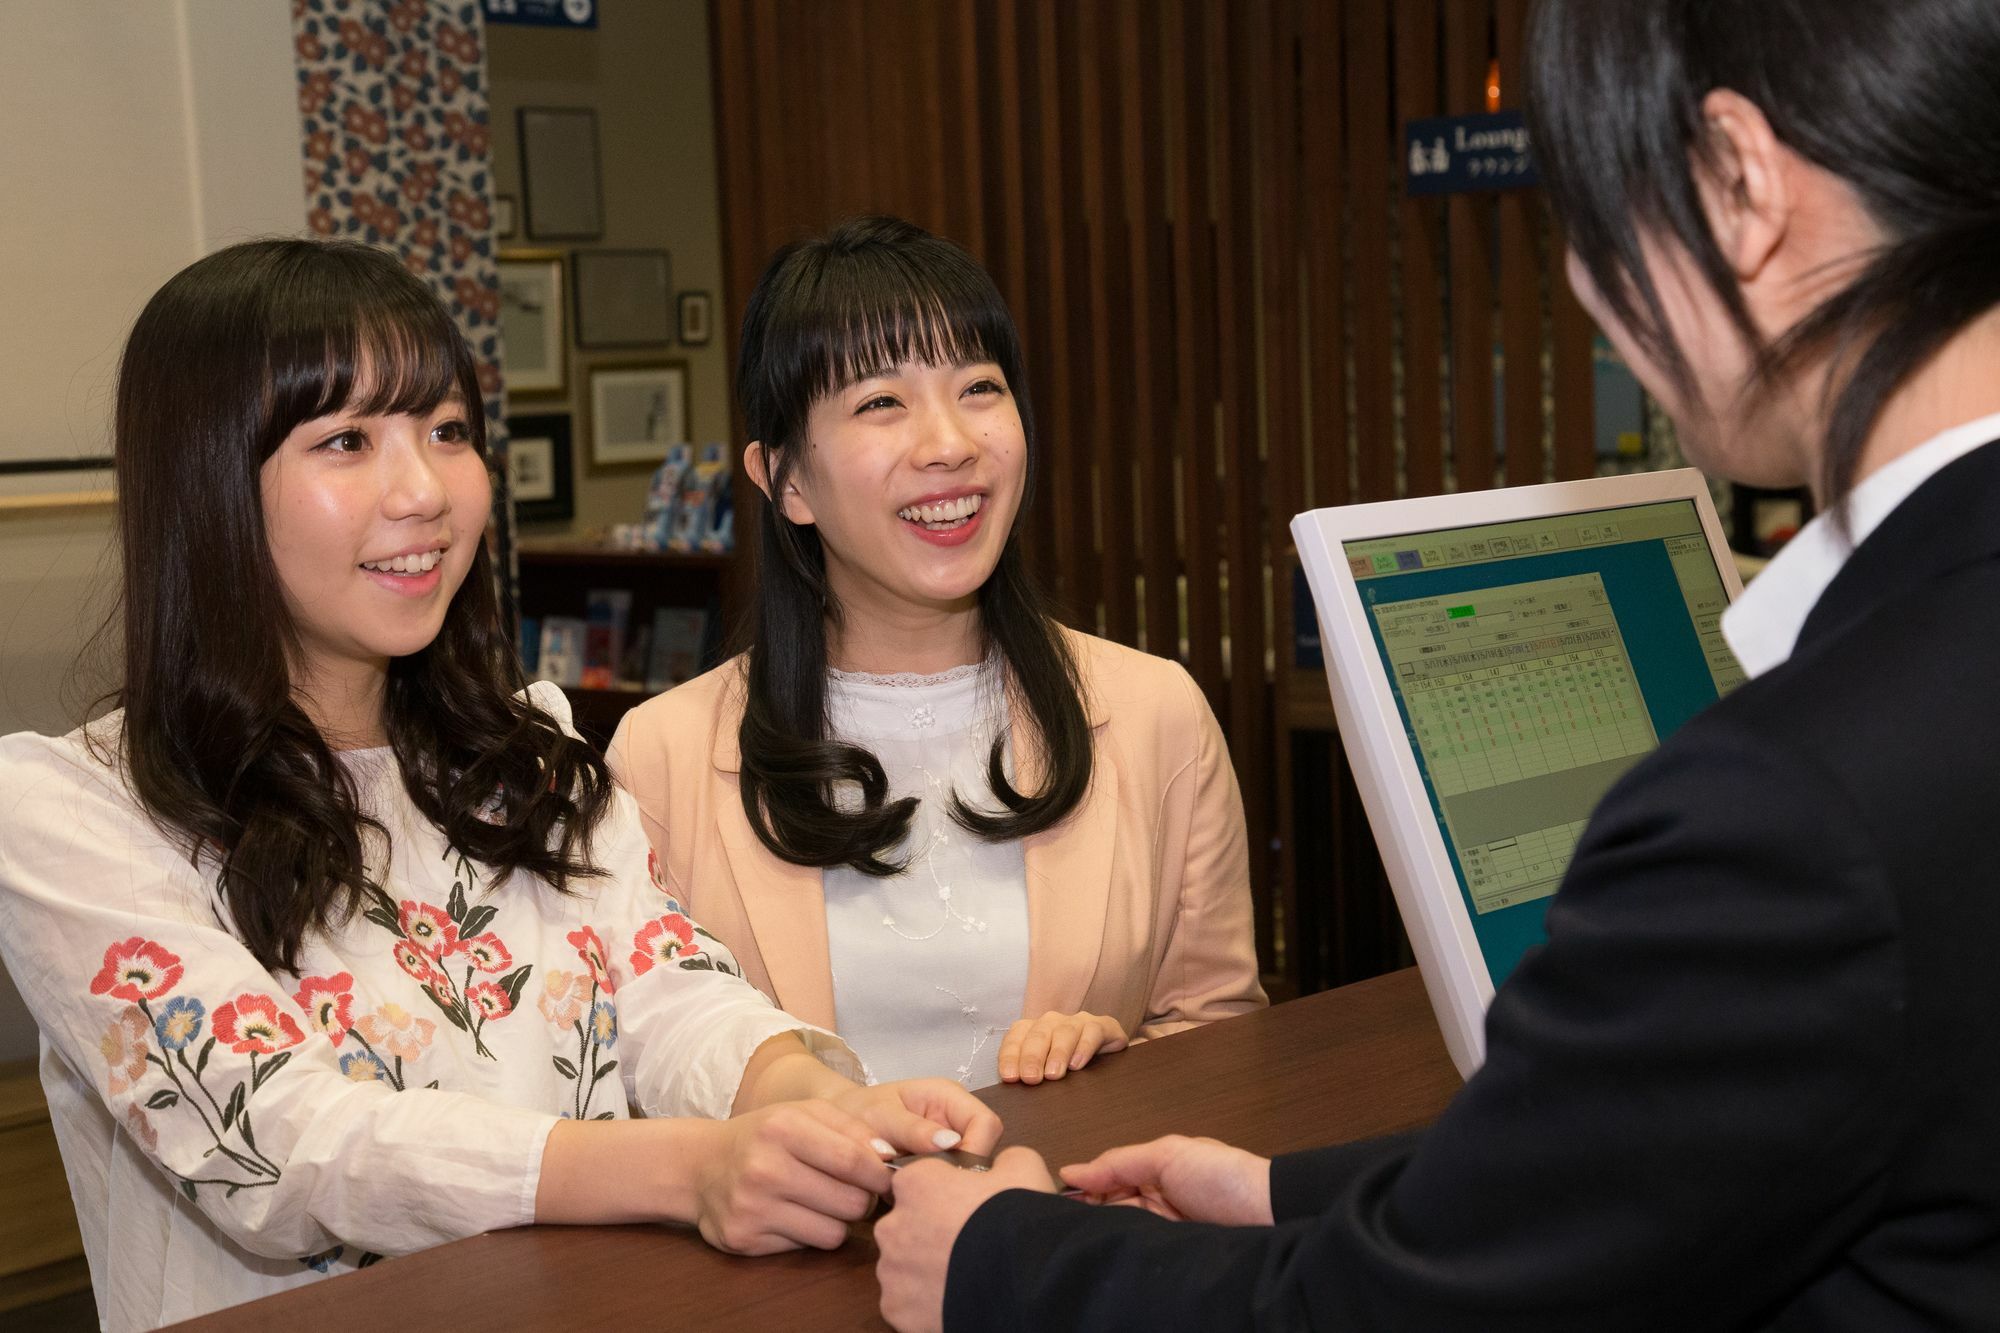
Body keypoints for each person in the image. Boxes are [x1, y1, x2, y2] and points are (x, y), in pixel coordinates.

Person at [874, 0, 2000, 1326]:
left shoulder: (1795, 810)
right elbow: (1703, 1134)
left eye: (1584, 222)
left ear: (1739, 184)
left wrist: (995, 1261)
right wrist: (1294, 1192)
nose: (1586, 289)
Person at [0, 238, 999, 1332]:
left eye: (446, 431)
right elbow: (281, 1146)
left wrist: (809, 1100)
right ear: (205, 484)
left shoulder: (525, 746)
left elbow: (667, 995)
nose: (424, 491)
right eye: (344, 440)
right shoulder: (70, 806)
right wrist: (686, 1168)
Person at [609, 217, 1265, 1091]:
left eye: (980, 388)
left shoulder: (1157, 715)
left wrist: (1120, 1067)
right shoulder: (660, 759)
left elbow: (1221, 1046)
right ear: (786, 480)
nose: (951, 443)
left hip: (1066, 1219)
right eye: (881, 402)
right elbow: (636, 1079)